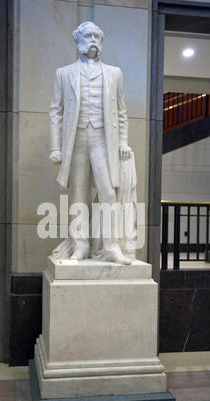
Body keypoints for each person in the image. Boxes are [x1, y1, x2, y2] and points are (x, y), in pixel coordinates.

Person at [49, 21, 134, 264]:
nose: (94, 40)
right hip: (75, 141)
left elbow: (121, 112)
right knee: (78, 195)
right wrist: (55, 147)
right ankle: (80, 246)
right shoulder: (64, 73)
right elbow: (55, 112)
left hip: (102, 140)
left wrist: (123, 143)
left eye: (97, 36)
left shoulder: (114, 73)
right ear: (78, 40)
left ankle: (111, 246)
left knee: (108, 193)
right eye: (89, 35)